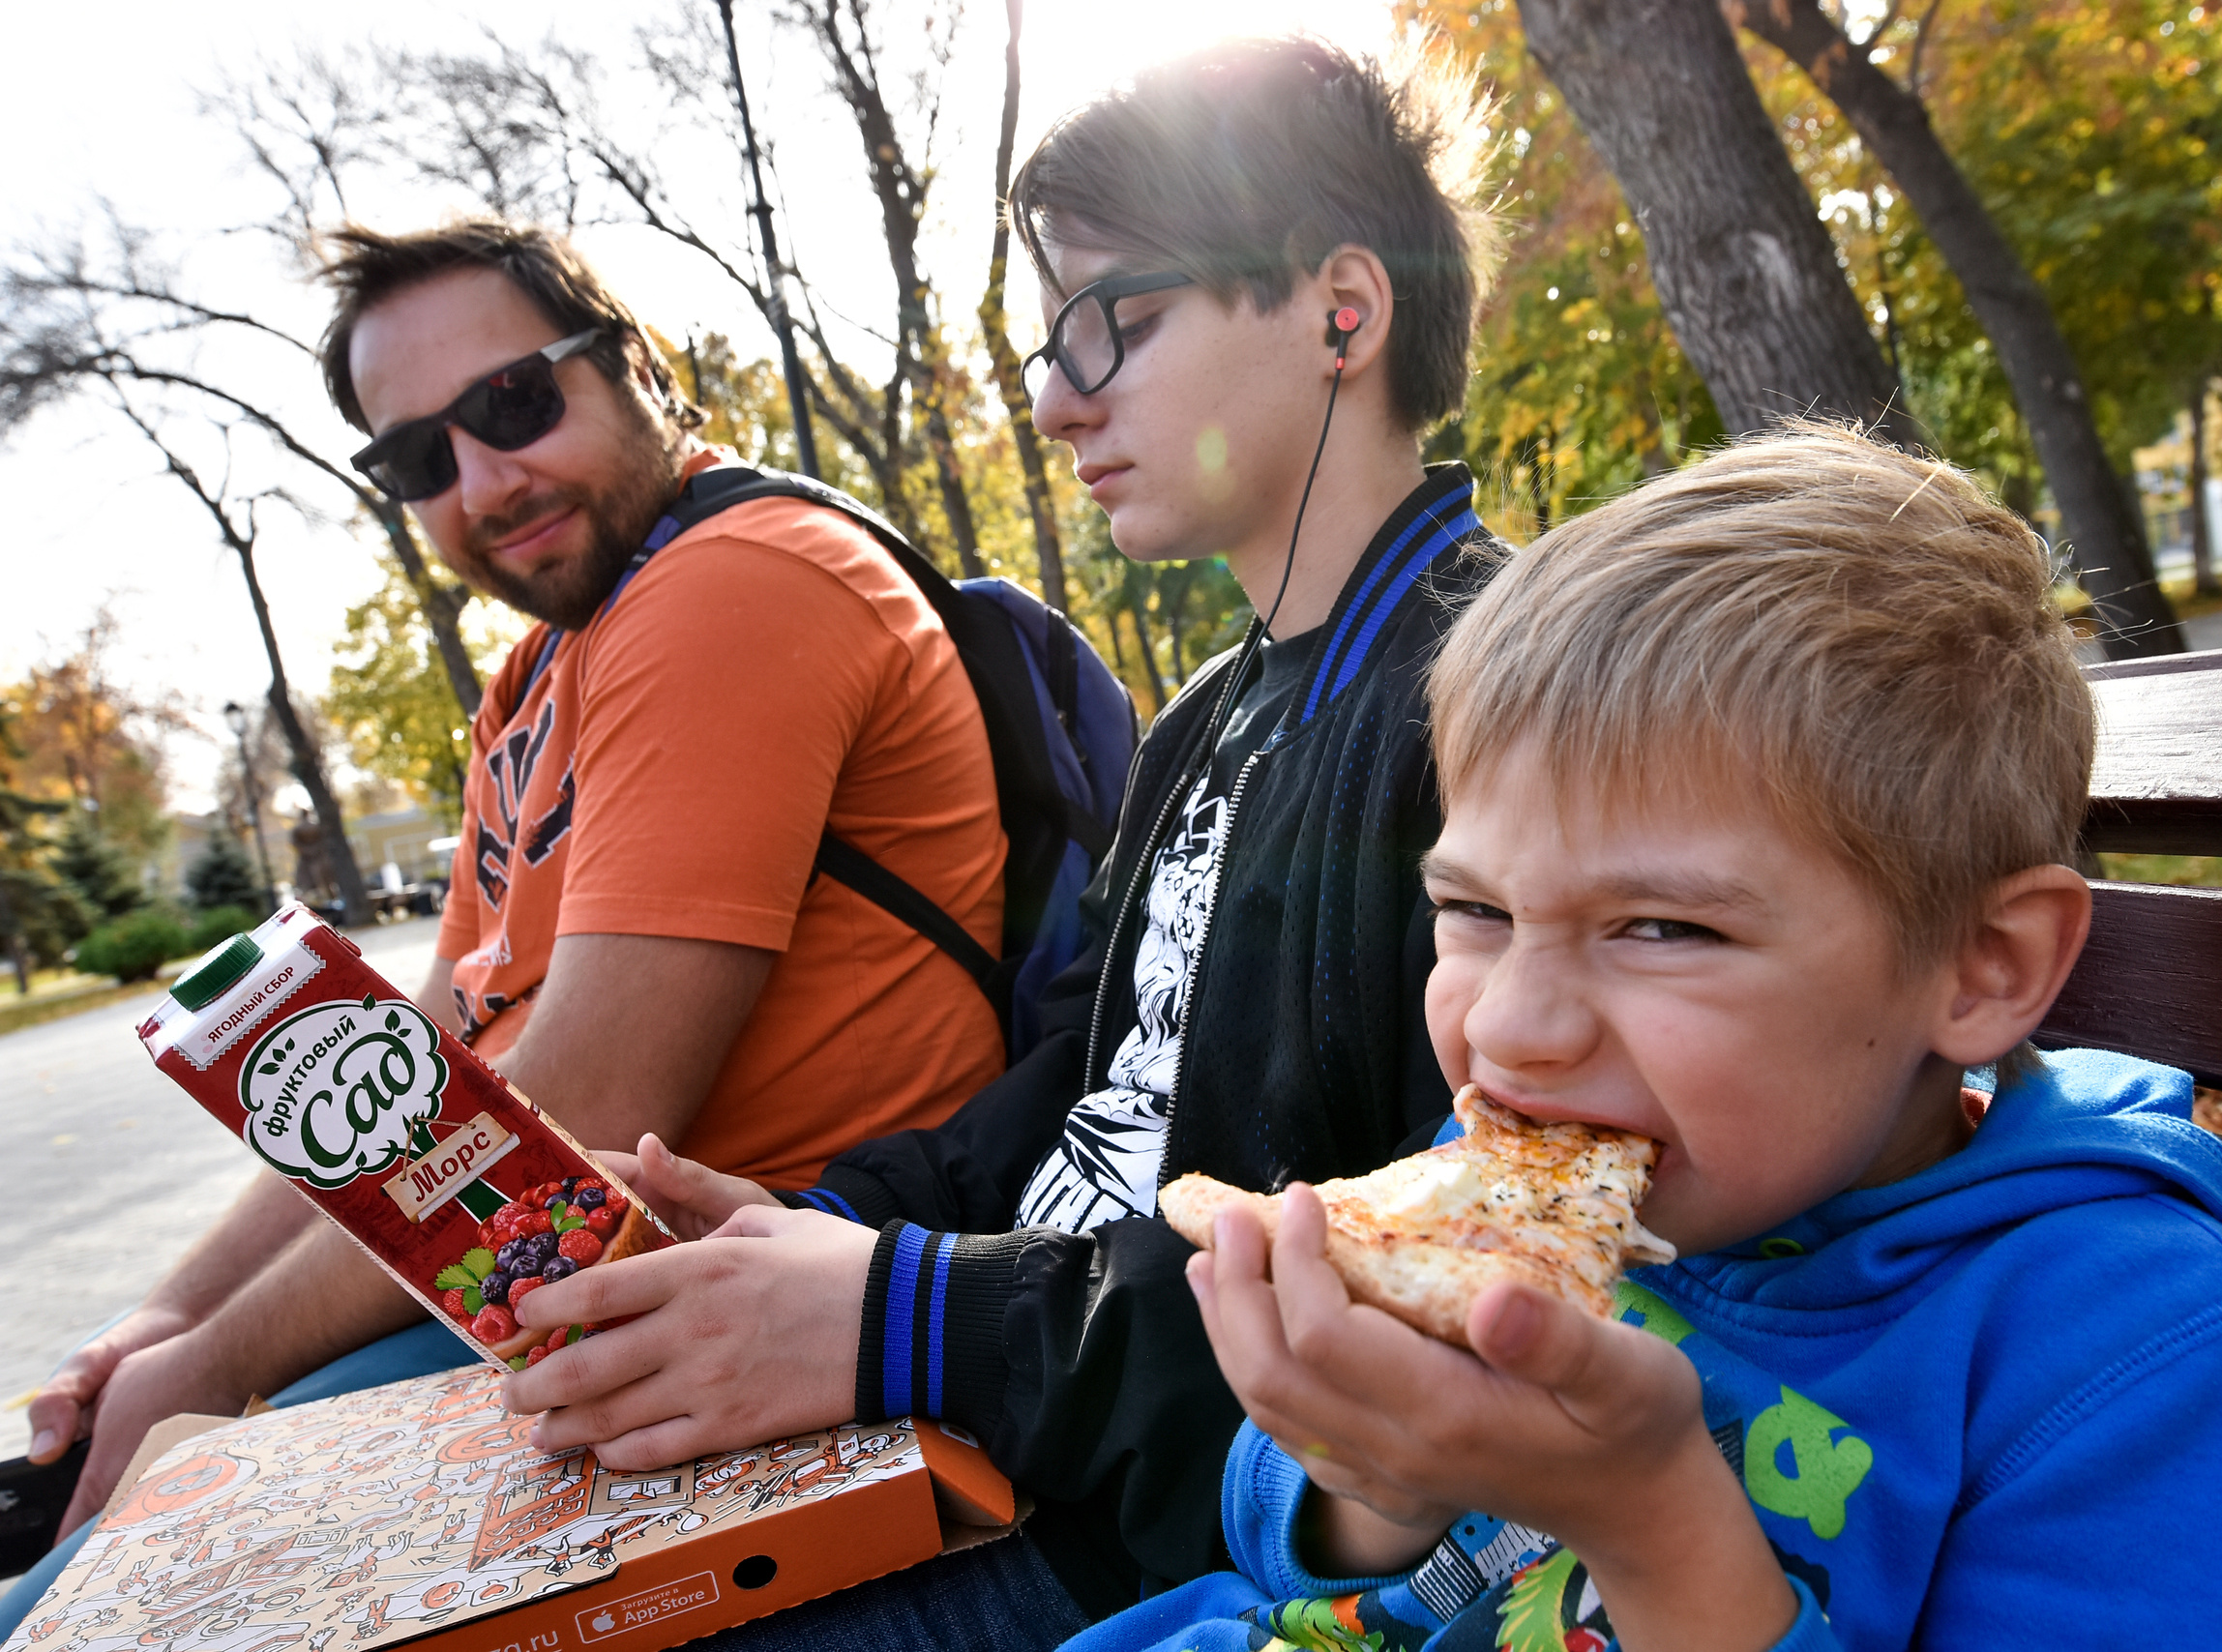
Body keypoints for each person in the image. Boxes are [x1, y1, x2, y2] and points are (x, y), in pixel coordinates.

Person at [488, 35, 1507, 1649]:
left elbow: (1441, 1262)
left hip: (1165, 1534)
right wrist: (797, 1230)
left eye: (1118, 322)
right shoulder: (1203, 723)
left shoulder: (1503, 704)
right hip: (1010, 1417)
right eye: (1052, 341)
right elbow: (1065, 1093)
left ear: (1342, 311)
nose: (1049, 400)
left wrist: (904, 1316)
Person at [1063, 425, 2222, 1652]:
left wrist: (1654, 1527)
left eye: (1660, 929)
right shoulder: (1539, 1187)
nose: (1511, 1028)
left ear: (1983, 968)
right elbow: (1280, 1547)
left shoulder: (2140, 1372)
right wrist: (1374, 1483)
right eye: (1473, 909)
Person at [10, 220, 1008, 1600]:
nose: (483, 479)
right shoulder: (536, 672)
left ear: (641, 367)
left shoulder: (736, 582)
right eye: (421, 458)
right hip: (564, 1305)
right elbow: (418, 1073)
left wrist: (213, 1367)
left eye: (513, 402)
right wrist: (162, 1321)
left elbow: (576, 1115)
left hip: (740, 1311)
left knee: (60, 1613)